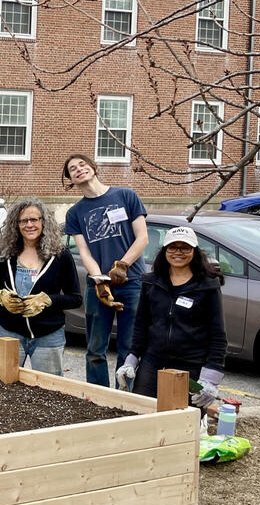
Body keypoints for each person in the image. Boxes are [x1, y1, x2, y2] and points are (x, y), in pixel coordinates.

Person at [62, 153, 149, 387]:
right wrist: (99, 279)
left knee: (129, 347)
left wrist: (122, 265)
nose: (79, 169)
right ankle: (98, 398)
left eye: (82, 164)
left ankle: (126, 395)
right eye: (72, 169)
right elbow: (84, 252)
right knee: (95, 348)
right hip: (98, 286)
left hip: (131, 283)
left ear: (93, 167)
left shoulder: (126, 196)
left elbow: (142, 238)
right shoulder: (75, 213)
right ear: (70, 179)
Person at [116, 226, 226, 405]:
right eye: (173, 247)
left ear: (194, 251)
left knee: (184, 420)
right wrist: (131, 360)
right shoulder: (151, 282)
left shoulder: (208, 286)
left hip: (191, 365)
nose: (178, 252)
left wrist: (211, 378)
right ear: (165, 250)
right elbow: (141, 326)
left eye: (185, 248)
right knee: (142, 413)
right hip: (153, 362)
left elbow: (218, 335)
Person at [0, 199, 83, 375]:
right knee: (4, 386)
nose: (29, 225)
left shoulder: (60, 255)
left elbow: (75, 298)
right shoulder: (4, 255)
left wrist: (48, 300)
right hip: (9, 332)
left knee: (48, 390)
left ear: (44, 221)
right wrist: (2, 298)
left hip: (49, 335)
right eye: (23, 221)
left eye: (34, 219)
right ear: (15, 224)